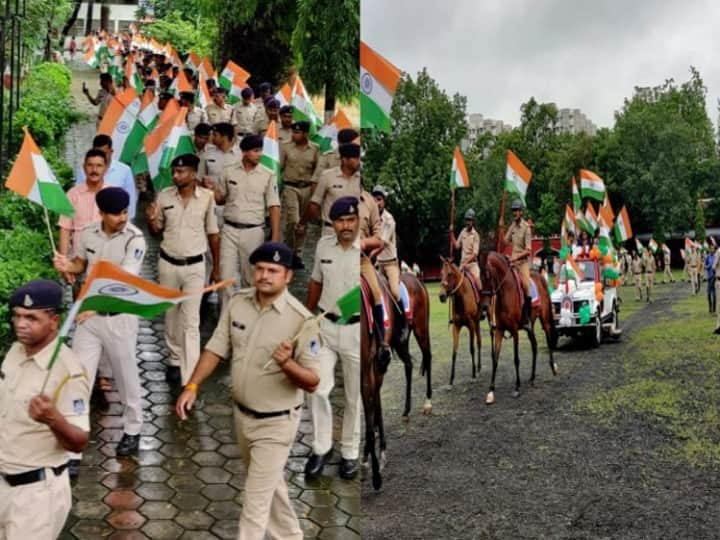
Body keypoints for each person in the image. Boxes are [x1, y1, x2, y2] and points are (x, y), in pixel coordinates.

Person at [175, 242, 321, 540]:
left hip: (277, 424)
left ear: (288, 276)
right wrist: (192, 385)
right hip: (242, 418)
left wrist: (288, 365)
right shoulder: (238, 303)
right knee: (272, 492)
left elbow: (313, 381)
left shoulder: (302, 320)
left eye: (273, 270)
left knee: (253, 510)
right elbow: (216, 348)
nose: (265, 275)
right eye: (260, 269)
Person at [53, 188, 145, 460]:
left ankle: (133, 430)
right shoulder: (90, 233)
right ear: (102, 213)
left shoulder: (135, 239)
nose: (123, 217)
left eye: (125, 211)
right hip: (88, 320)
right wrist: (67, 265)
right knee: (79, 377)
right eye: (116, 213)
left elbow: (123, 281)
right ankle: (74, 445)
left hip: (119, 318)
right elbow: (82, 263)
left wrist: (93, 306)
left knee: (126, 377)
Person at [0, 279, 90, 539]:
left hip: (36, 496)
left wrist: (53, 419)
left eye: (31, 317)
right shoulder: (16, 351)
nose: (21, 324)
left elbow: (79, 442)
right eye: (17, 316)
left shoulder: (68, 372)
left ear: (54, 321)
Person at [146, 154, 220, 385]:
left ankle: (190, 374)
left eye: (182, 172)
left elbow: (213, 234)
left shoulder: (207, 197)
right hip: (168, 263)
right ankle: (174, 359)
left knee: (191, 320)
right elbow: (156, 232)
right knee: (171, 314)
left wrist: (216, 267)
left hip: (196, 266)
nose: (176, 176)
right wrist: (151, 220)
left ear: (193, 174)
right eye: (174, 172)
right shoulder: (164, 195)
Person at [304, 196, 361, 481]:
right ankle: (321, 447)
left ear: (358, 222)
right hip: (325, 327)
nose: (346, 226)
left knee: (353, 396)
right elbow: (315, 282)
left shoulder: (365, 251)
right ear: (333, 223)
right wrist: (306, 317)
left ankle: (350, 453)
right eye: (341, 221)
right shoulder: (323, 246)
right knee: (317, 388)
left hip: (355, 330)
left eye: (351, 220)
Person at [209, 135, 281, 304]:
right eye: (255, 151)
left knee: (251, 278)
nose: (259, 154)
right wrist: (211, 191)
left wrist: (275, 237)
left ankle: (247, 316)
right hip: (229, 230)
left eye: (260, 150)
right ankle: (225, 317)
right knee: (225, 276)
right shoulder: (228, 171)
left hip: (254, 232)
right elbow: (220, 199)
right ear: (244, 152)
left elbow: (274, 206)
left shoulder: (268, 175)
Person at [298, 130, 362, 239]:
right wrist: (317, 212)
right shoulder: (328, 161)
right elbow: (316, 184)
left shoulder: (360, 175)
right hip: (330, 225)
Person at [58, 149, 108, 264]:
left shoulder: (112, 194)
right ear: (84, 167)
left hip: (105, 260)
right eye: (90, 165)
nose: (94, 170)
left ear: (105, 168)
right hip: (78, 259)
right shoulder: (73, 194)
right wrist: (63, 260)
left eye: (99, 166)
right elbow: (65, 228)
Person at [280, 120, 319, 265]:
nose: (294, 135)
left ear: (305, 134)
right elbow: (280, 166)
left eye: (297, 132)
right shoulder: (285, 147)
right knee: (293, 220)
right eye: (293, 132)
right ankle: (288, 250)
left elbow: (317, 170)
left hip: (307, 188)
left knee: (303, 223)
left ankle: (298, 254)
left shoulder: (315, 149)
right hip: (290, 187)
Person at [74, 134, 138, 220]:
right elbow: (77, 195)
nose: (101, 156)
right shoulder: (84, 171)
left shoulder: (124, 171)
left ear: (111, 151)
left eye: (104, 153)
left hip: (115, 223)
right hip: (88, 222)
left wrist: (127, 223)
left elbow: (130, 199)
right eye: (97, 152)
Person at [503, 199, 532, 330]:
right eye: (513, 210)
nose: (514, 213)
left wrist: (516, 257)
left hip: (523, 263)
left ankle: (527, 318)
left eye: (516, 210)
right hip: (512, 263)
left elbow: (528, 250)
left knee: (526, 286)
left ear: (521, 212)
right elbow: (504, 241)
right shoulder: (512, 226)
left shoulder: (526, 227)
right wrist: (501, 228)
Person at [372, 185, 403, 305]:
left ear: (384, 201)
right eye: (374, 200)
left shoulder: (389, 220)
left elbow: (382, 244)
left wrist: (370, 256)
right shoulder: (371, 219)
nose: (376, 203)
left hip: (390, 264)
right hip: (376, 264)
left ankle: (403, 319)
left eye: (379, 199)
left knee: (395, 292)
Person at [450, 209, 481, 280]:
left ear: (473, 221)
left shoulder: (476, 235)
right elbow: (457, 246)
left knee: (478, 282)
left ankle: (479, 291)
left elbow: (475, 254)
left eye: (470, 220)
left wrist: (466, 262)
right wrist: (451, 234)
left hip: (472, 265)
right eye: (467, 220)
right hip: (462, 264)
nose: (468, 222)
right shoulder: (463, 231)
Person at [705, 244, 716, 313]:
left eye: (713, 249)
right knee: (709, 293)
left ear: (714, 249)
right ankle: (710, 307)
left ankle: (714, 309)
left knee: (714, 294)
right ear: (709, 249)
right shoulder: (707, 257)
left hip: (715, 277)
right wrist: (709, 266)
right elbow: (705, 266)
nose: (712, 250)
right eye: (711, 249)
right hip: (709, 277)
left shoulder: (716, 256)